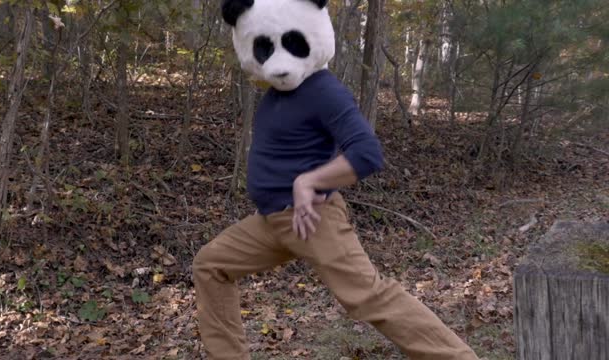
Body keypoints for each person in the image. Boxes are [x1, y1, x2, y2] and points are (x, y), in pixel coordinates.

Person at [192, 0, 479, 359]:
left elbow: (367, 153)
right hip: (272, 221)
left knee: (369, 297)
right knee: (211, 265)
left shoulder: (323, 89)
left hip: (312, 219)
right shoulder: (277, 92)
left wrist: (309, 182)